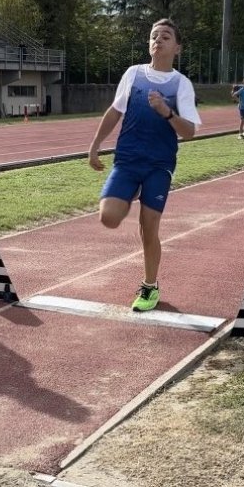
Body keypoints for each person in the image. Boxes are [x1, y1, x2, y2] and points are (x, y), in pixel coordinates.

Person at [87, 19, 200, 312]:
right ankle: (132, 191)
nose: (158, 40)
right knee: (109, 217)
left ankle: (150, 287)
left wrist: (166, 112)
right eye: (154, 36)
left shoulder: (181, 84)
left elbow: (189, 131)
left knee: (148, 227)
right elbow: (115, 111)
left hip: (158, 165)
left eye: (165, 36)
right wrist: (96, 143)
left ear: (177, 48)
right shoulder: (134, 74)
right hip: (127, 160)